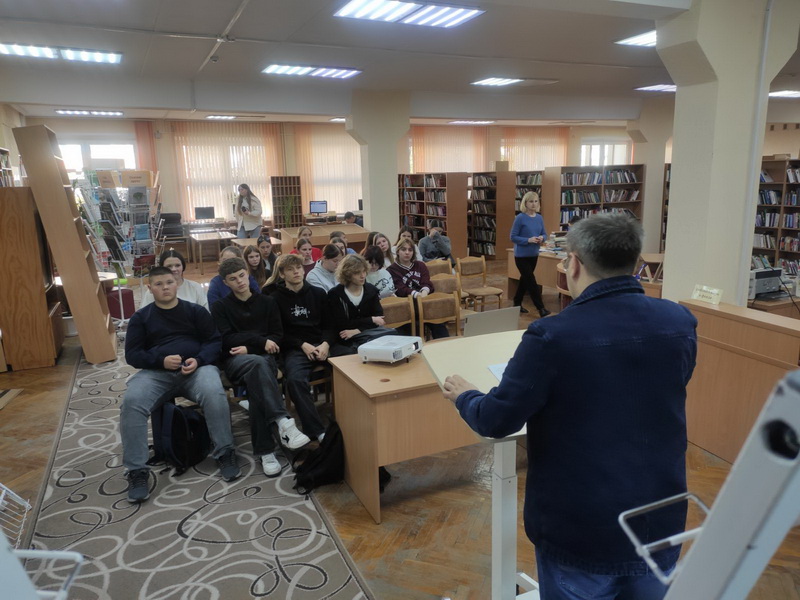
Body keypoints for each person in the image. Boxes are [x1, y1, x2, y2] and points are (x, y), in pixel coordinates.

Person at [443, 213, 698, 600]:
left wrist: (466, 395)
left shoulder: (552, 336)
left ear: (574, 263)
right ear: (636, 262)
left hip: (582, 527)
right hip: (658, 518)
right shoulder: (679, 321)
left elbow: (496, 420)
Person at [121, 267, 241, 503]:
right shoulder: (141, 318)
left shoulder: (195, 311)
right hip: (157, 373)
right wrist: (160, 361)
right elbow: (132, 355)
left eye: (169, 282)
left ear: (177, 283)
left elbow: (213, 342)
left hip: (196, 370)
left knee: (214, 392)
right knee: (131, 402)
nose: (165, 287)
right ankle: (136, 471)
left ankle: (225, 451)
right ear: (149, 288)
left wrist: (199, 360)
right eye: (158, 284)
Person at [211, 258, 310, 477]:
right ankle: (282, 421)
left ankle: (266, 452)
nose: (239, 281)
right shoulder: (220, 306)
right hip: (236, 362)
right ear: (225, 282)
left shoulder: (267, 302)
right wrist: (259, 341)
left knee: (257, 383)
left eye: (242, 275)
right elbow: (226, 340)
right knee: (258, 365)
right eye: (233, 279)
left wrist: (250, 346)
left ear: (247, 274)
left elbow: (277, 335)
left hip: (265, 358)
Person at [269, 254, 333, 443]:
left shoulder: (318, 294)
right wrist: (301, 345)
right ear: (282, 274)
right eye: (290, 269)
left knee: (349, 369)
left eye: (298, 268)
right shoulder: (274, 299)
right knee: (295, 380)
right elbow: (278, 333)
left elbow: (330, 325)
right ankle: (317, 431)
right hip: (295, 348)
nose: (296, 272)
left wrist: (326, 343)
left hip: (321, 344)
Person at [327, 254, 387, 356]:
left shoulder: (371, 290)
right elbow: (340, 325)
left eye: (364, 271)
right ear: (347, 274)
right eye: (357, 273)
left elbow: (379, 319)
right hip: (344, 340)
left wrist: (358, 330)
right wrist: (371, 320)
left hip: (369, 336)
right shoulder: (335, 294)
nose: (362, 276)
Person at [388, 238, 448, 339]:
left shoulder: (420, 265)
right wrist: (416, 294)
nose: (407, 252)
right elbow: (400, 289)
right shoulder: (392, 270)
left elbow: (426, 282)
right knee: (412, 330)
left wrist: (424, 292)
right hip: (406, 306)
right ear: (398, 251)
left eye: (410, 250)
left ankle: (443, 345)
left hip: (425, 303)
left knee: (438, 323)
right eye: (403, 249)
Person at [510, 191, 550, 317]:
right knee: (531, 281)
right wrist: (528, 240)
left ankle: (516, 303)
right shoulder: (520, 218)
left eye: (536, 201)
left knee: (525, 279)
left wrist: (542, 238)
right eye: (531, 201)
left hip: (534, 254)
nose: (534, 204)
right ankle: (541, 308)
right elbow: (513, 237)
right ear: (525, 203)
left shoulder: (539, 218)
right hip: (521, 255)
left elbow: (545, 234)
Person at [140, 248, 208, 311]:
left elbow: (205, 312)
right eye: (169, 266)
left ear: (183, 266)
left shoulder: (195, 287)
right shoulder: (154, 290)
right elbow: (143, 314)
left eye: (177, 265)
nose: (174, 269)